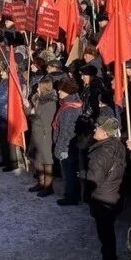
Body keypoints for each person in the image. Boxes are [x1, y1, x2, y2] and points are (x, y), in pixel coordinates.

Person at [85, 115, 127, 260]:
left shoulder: (100, 154)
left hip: (103, 198)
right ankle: (110, 258)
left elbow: (93, 180)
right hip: (114, 194)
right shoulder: (119, 145)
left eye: (98, 127)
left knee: (105, 233)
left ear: (105, 133)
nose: (95, 129)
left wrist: (84, 180)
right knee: (108, 230)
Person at [53, 78, 83, 206]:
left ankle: (71, 196)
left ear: (68, 91)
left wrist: (60, 148)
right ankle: (72, 194)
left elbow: (65, 131)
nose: (59, 91)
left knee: (68, 173)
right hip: (70, 144)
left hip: (67, 145)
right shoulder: (70, 104)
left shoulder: (69, 109)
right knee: (70, 171)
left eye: (61, 90)